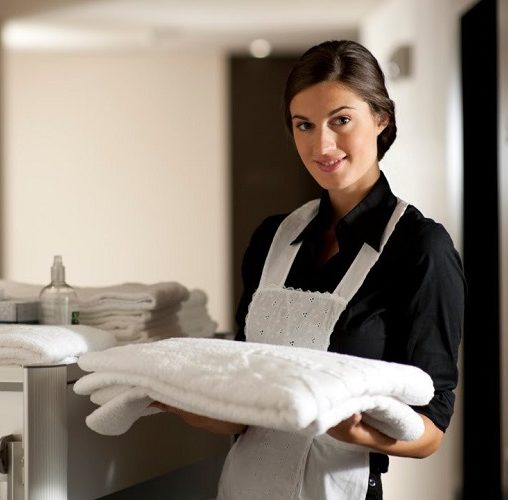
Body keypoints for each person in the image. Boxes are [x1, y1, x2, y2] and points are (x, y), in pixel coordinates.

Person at [152, 39, 465, 499]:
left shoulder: (421, 248)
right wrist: (170, 394)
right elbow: (244, 404)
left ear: (381, 119)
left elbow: (431, 430)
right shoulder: (273, 238)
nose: (322, 144)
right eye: (304, 125)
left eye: (341, 120)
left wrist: (353, 432)